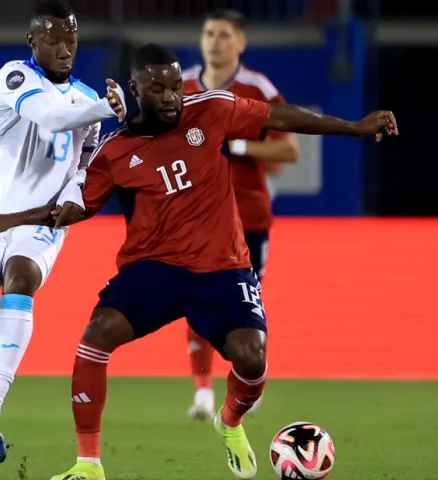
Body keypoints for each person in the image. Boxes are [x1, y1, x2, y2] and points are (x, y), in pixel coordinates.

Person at [0, 43, 397, 480]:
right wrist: (5, 219)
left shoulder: (212, 109)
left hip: (223, 267)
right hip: (154, 270)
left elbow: (277, 117)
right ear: (135, 89)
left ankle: (229, 421)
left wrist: (355, 128)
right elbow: (71, 210)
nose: (171, 97)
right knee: (95, 337)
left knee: (252, 358)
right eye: (159, 88)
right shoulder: (115, 151)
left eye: (175, 87)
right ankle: (89, 464)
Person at [0, 0, 126, 465]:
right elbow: (49, 117)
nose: (65, 48)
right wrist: (106, 109)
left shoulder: (87, 98)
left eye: (71, 39)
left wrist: (76, 191)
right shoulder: (15, 77)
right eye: (54, 39)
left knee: (21, 279)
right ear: (33, 41)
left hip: (37, 221)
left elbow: (87, 161)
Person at [181, 8, 300, 421]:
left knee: (243, 304)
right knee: (195, 297)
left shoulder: (257, 88)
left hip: (247, 217)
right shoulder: (181, 86)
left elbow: (289, 150)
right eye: (209, 32)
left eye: (224, 34)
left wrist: (241, 148)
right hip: (195, 217)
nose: (214, 41)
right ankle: (201, 391)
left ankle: (246, 376)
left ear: (240, 42)